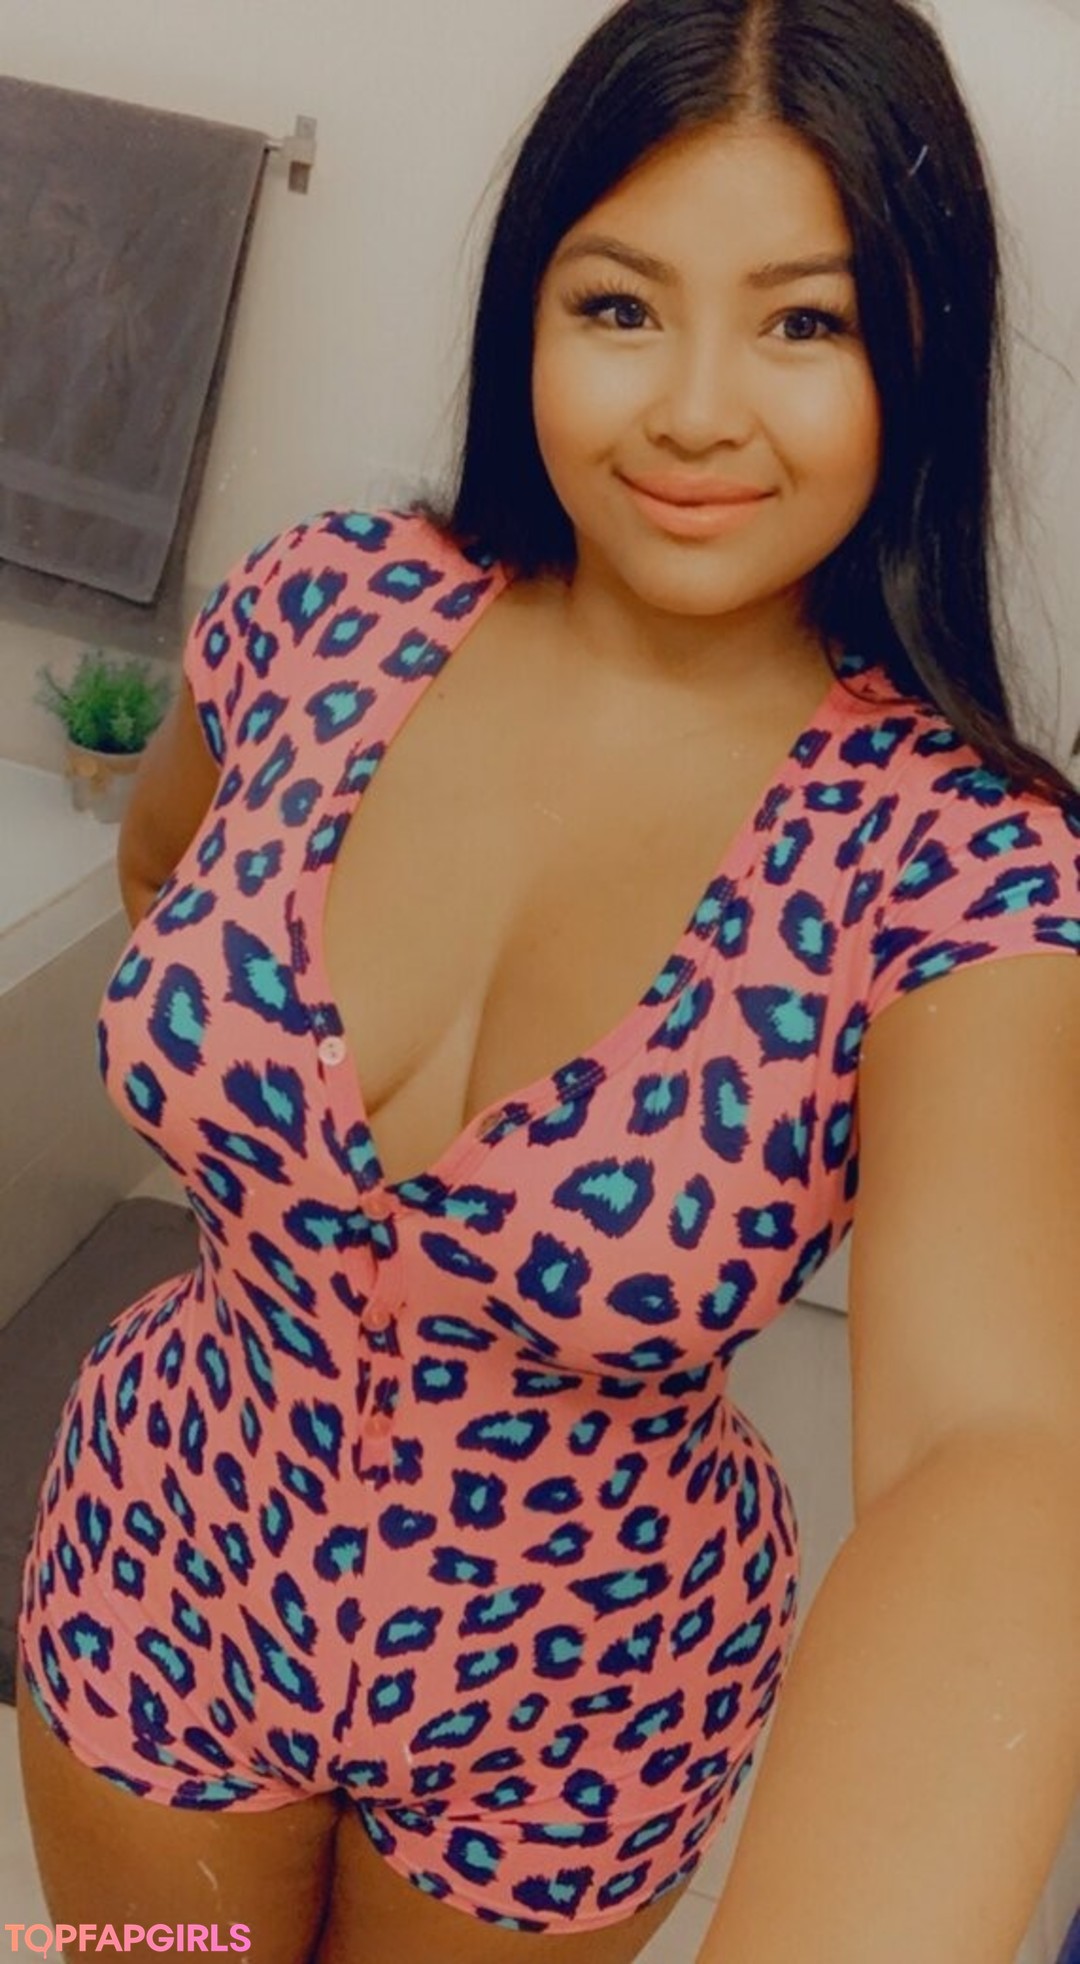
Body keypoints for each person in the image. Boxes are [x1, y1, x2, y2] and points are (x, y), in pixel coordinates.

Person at [16, 1, 1080, 1960]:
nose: (694, 408)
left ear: (922, 350)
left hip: (578, 1701)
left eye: (806, 321)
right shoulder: (324, 604)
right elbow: (169, 868)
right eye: (618, 305)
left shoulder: (957, 859)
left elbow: (990, 1441)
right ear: (530, 310)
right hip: (164, 1558)